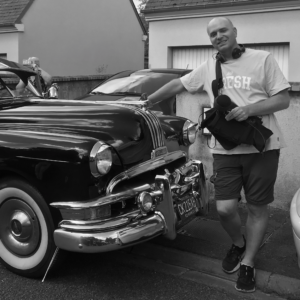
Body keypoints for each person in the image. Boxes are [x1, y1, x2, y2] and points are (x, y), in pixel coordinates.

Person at [144, 17, 290, 293]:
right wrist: (147, 101)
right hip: (225, 149)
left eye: (223, 30)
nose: (218, 36)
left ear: (235, 32)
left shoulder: (263, 59)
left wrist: (249, 110)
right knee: (224, 208)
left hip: (262, 148)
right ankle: (238, 243)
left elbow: (282, 99)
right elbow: (179, 85)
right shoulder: (209, 66)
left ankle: (248, 261)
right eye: (213, 33)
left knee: (257, 207)